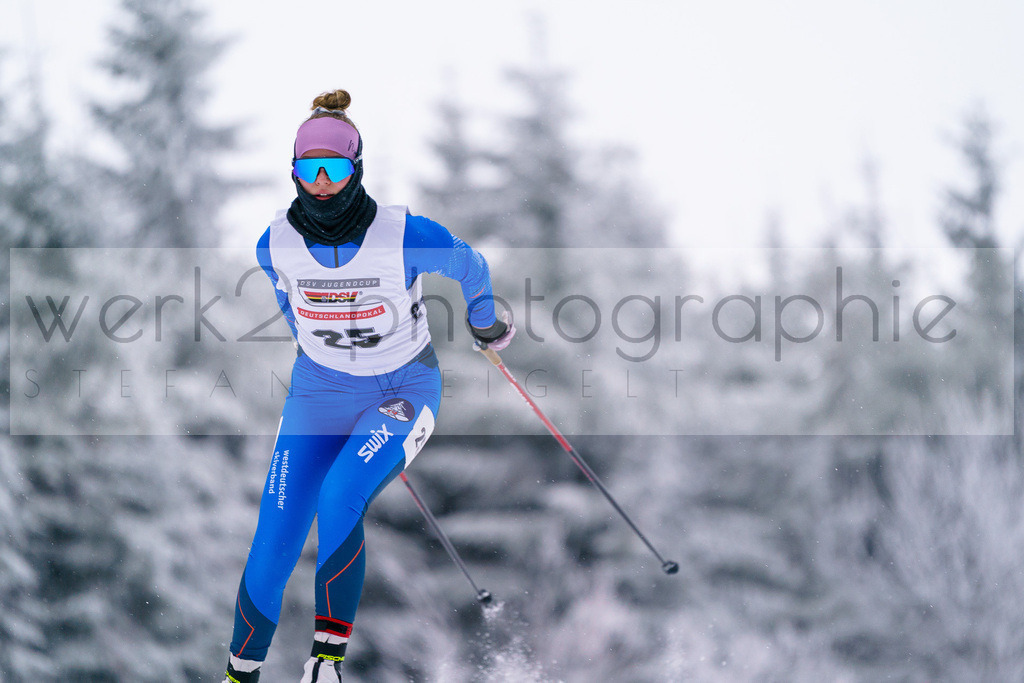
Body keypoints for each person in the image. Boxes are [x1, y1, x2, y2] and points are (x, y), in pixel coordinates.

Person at [223, 89, 514, 683]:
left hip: (402, 391)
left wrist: (485, 323)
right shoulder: (273, 243)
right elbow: (292, 308)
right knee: (275, 535)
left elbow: (471, 266)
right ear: (295, 171)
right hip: (318, 395)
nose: (322, 181)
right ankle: (238, 673)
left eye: (333, 168)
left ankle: (325, 664)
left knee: (339, 497)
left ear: (356, 168)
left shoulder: (403, 234)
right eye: (309, 168)